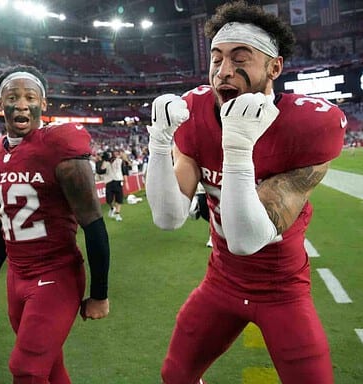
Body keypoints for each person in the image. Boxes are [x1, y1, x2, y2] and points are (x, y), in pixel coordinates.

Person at [145, 2, 347, 383]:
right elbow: (168, 218)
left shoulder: (306, 125)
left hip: (281, 288)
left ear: (274, 67)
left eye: (241, 58)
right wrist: (159, 143)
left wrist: (237, 149)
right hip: (221, 281)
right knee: (176, 375)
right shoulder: (196, 111)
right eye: (216, 58)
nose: (223, 71)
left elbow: (245, 239)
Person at [0, 64, 110, 383]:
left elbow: (92, 221)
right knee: (50, 366)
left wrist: (100, 293)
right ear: (0, 103)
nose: (21, 104)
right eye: (12, 97)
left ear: (43, 103)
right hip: (17, 278)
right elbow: (0, 223)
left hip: (56, 274)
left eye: (29, 97)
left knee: (26, 370)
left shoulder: (59, 143)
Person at [99, 150, 125, 221]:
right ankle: (112, 208)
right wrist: (105, 161)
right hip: (109, 182)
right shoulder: (105, 163)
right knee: (109, 200)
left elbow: (124, 168)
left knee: (119, 199)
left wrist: (126, 181)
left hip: (118, 181)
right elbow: (101, 170)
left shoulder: (119, 161)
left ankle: (118, 214)